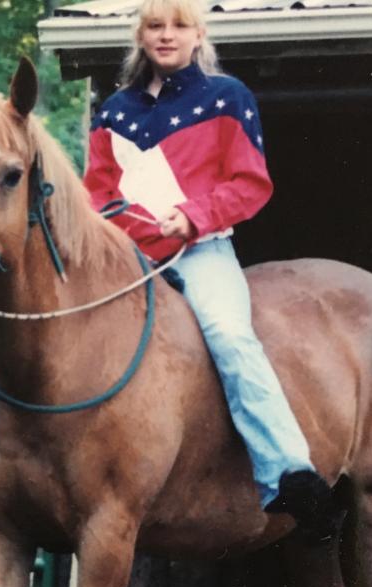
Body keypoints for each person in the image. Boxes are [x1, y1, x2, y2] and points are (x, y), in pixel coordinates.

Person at [83, 0, 334, 535]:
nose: (166, 35)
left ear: (198, 35)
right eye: (155, 25)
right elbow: (97, 197)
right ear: (140, 36)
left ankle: (289, 471)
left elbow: (250, 184)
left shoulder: (227, 98)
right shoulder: (115, 111)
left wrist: (193, 217)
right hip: (129, 259)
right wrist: (139, 232)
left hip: (200, 252)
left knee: (228, 334)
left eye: (178, 25)